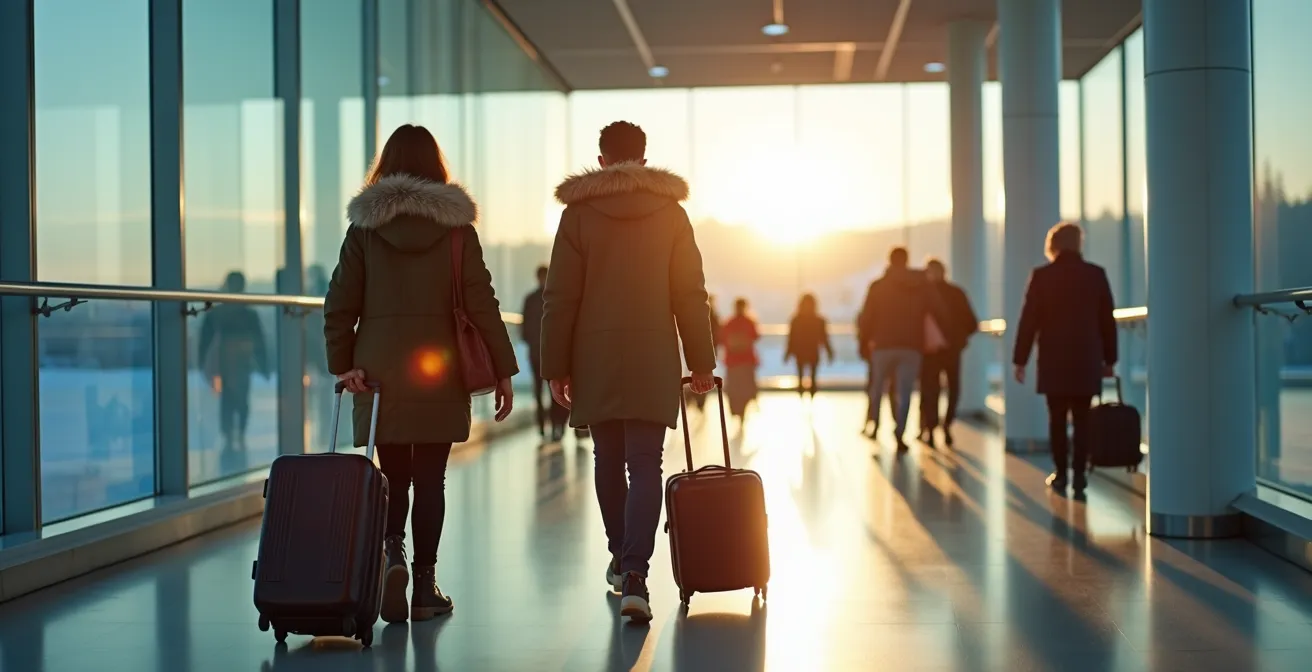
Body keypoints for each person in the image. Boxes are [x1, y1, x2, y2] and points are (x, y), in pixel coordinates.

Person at [324, 124, 518, 623]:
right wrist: (503, 369)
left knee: (393, 475)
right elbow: (482, 303)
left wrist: (344, 366)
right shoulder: (457, 232)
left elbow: (339, 304)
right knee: (432, 479)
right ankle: (425, 586)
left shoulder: (364, 230)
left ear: (384, 165)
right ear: (436, 166)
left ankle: (393, 554)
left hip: (380, 373)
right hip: (440, 372)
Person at [541, 121, 715, 623]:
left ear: (602, 161)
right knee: (646, 464)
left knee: (606, 458)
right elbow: (689, 293)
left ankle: (620, 557)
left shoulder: (577, 216)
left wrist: (556, 366)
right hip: (651, 355)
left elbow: (560, 297)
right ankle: (637, 571)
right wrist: (700, 361)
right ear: (643, 160)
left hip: (593, 357)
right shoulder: (671, 215)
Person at [1013, 221, 1117, 497]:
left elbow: (1028, 322)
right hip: (1086, 357)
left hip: (1053, 358)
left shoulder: (1042, 276)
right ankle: (1080, 474)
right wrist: (1110, 359)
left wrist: (1019, 359)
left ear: (1053, 245)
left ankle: (1060, 473)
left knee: (1057, 417)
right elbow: (1107, 321)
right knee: (1082, 418)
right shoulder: (1095, 275)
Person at [857, 247, 947, 454]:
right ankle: (900, 434)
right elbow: (938, 310)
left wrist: (864, 342)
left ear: (889, 261)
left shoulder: (878, 286)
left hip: (883, 345)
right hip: (911, 346)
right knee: (904, 392)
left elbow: (866, 318)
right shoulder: (921, 284)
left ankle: (875, 426)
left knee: (877, 387)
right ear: (907, 261)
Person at [199, 271, 270, 454]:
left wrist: (202, 361)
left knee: (230, 399)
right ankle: (236, 435)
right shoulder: (248, 314)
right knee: (238, 398)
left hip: (230, 362)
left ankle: (231, 435)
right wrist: (264, 365)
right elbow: (259, 341)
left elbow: (205, 340)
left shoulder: (219, 313)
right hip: (239, 362)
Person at [918, 258, 979, 448]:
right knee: (953, 387)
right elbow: (972, 322)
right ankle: (947, 424)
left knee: (930, 389)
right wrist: (959, 339)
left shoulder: (922, 295)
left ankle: (929, 427)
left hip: (929, 351)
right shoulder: (957, 293)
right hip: (952, 350)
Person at [522, 264, 568, 440]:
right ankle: (556, 426)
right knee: (554, 390)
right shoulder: (555, 298)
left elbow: (525, 330)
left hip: (536, 352)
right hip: (552, 353)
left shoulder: (530, 299)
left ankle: (542, 427)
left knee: (539, 391)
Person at [785, 293, 834, 397]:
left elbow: (824, 338)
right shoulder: (816, 320)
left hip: (808, 352)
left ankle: (807, 398)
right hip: (806, 352)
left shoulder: (797, 320)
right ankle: (805, 398)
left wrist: (788, 352)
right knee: (805, 377)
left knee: (809, 378)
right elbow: (791, 338)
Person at [720, 298, 760, 421]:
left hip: (733, 362)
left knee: (734, 389)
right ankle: (742, 411)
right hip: (746, 362)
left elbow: (721, 338)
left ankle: (737, 411)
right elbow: (756, 336)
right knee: (745, 388)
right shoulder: (749, 322)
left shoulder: (729, 323)